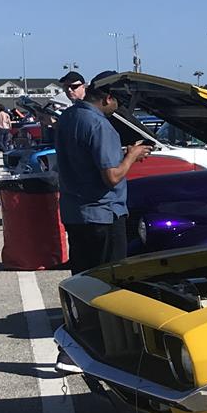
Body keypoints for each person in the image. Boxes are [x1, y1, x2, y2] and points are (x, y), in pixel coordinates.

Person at [54, 71, 151, 274]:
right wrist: (132, 156)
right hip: (102, 216)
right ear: (108, 98)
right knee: (109, 278)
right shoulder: (100, 125)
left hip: (74, 213)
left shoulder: (68, 117)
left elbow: (83, 154)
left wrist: (121, 153)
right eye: (118, 101)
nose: (118, 108)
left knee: (82, 276)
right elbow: (112, 177)